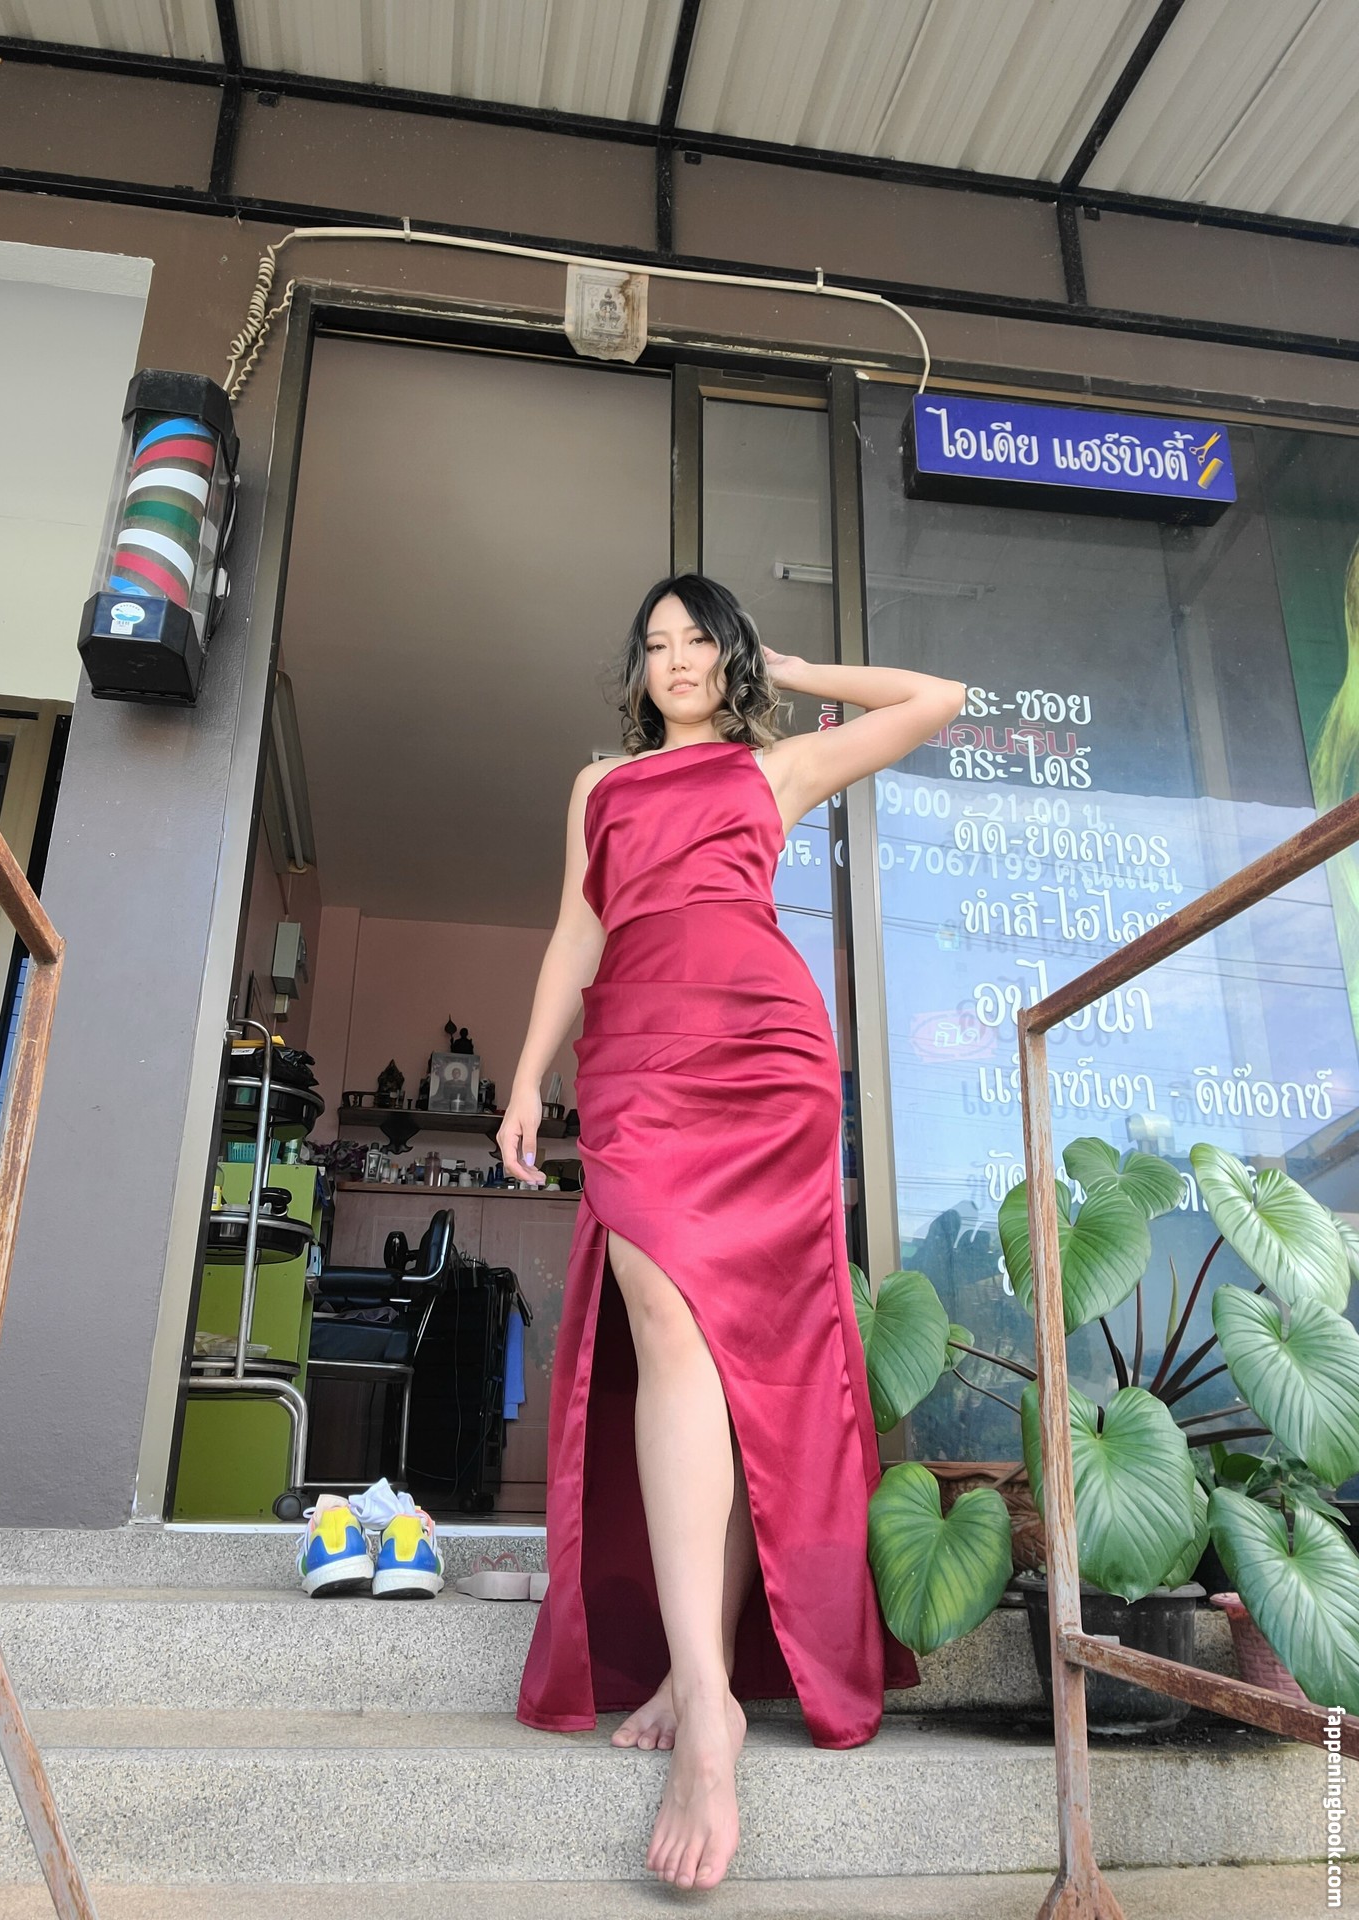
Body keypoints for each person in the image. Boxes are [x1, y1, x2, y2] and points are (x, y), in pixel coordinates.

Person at [496, 574, 966, 1891]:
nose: (677, 659)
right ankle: (706, 1694)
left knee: (750, 1361)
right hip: (639, 1066)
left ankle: (701, 1687)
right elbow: (576, 935)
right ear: (637, 671)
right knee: (663, 1324)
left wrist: (798, 671)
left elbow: (938, 699)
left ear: (730, 655)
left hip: (764, 1063)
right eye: (655, 643)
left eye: (699, 638)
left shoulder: (775, 768)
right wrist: (527, 1079)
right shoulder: (600, 786)